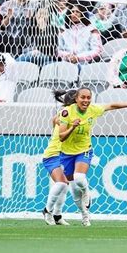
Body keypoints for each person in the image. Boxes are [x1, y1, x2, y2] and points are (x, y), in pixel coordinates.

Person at [58, 87, 127, 226]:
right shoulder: (66, 112)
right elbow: (61, 137)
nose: (86, 100)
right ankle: (85, 215)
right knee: (74, 191)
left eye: (88, 98)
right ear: (76, 99)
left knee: (79, 178)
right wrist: (72, 127)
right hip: (67, 153)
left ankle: (87, 193)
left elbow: (112, 105)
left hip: (84, 150)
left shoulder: (93, 109)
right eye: (83, 97)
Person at [41, 90, 79, 226]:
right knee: (62, 183)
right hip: (53, 154)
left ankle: (57, 216)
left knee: (65, 185)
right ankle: (47, 211)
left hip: (63, 154)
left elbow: (54, 120)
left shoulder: (64, 114)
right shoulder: (67, 114)